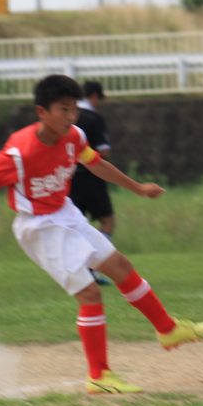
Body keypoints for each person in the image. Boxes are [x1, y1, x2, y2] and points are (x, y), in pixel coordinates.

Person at [0, 74, 203, 394]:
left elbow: (96, 164)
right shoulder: (19, 152)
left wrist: (138, 188)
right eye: (63, 109)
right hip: (38, 226)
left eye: (74, 108)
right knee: (89, 294)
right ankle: (99, 376)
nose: (71, 116)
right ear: (42, 112)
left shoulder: (74, 137)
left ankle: (167, 329)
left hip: (65, 213)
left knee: (121, 267)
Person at [70, 81, 114, 285]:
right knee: (107, 221)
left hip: (67, 178)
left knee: (78, 224)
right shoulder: (94, 118)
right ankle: (93, 269)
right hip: (91, 177)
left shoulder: (65, 118)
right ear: (94, 96)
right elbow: (103, 151)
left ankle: (79, 269)